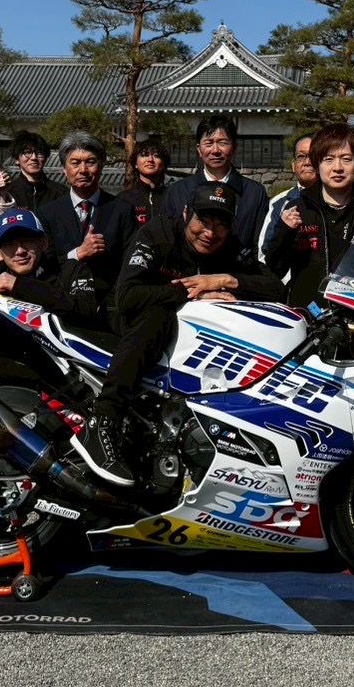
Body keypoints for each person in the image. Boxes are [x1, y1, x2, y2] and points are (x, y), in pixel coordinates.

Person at [79, 183, 287, 486]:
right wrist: (191, 291)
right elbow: (128, 297)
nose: (210, 233)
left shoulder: (230, 245)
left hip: (188, 345)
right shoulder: (157, 233)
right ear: (187, 213)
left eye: (221, 224)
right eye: (203, 221)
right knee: (158, 313)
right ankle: (103, 418)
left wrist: (224, 280)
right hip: (131, 325)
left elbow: (276, 288)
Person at [0, 208, 107, 391]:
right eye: (9, 244)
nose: (20, 251)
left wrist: (20, 286)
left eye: (27, 241)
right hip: (33, 375)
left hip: (82, 370)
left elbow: (86, 311)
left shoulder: (70, 269)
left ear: (43, 242)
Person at [269, 122, 354, 310]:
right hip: (307, 317)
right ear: (317, 164)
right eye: (328, 159)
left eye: (346, 159)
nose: (338, 167)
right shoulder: (298, 210)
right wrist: (284, 231)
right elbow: (274, 269)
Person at [36, 131, 135, 290]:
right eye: (75, 163)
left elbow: (130, 265)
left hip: (109, 298)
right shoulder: (47, 214)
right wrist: (78, 253)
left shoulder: (122, 210)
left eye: (90, 162)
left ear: (101, 166)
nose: (83, 170)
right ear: (64, 169)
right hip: (63, 296)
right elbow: (45, 264)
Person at [159, 114, 268, 251]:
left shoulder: (254, 193)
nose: (215, 150)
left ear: (234, 147)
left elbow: (260, 245)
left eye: (222, 143)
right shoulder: (178, 190)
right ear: (199, 149)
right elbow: (165, 239)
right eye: (209, 143)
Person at [258, 134, 315, 265]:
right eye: (301, 156)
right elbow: (264, 252)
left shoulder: (336, 200)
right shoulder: (279, 202)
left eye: (313, 156)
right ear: (293, 165)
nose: (307, 162)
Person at [117, 137, 170, 226]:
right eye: (144, 155)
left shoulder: (173, 196)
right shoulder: (123, 199)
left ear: (164, 163)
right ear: (135, 164)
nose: (150, 160)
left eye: (156, 156)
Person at [1, 131, 56, 213]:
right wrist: (2, 195)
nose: (34, 157)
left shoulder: (60, 192)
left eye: (39, 153)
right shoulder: (8, 192)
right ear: (16, 159)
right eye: (27, 152)